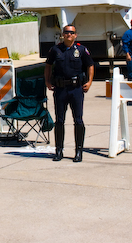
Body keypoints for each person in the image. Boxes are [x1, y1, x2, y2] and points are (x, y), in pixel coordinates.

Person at [44, 25, 94, 163]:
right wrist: (47, 81)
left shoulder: (81, 50)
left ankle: (79, 152)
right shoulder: (55, 50)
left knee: (78, 120)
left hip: (76, 89)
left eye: (71, 33)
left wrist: (89, 82)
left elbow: (90, 65)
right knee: (59, 120)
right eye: (66, 33)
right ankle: (59, 151)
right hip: (60, 89)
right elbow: (48, 65)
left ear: (76, 35)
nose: (69, 35)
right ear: (62, 34)